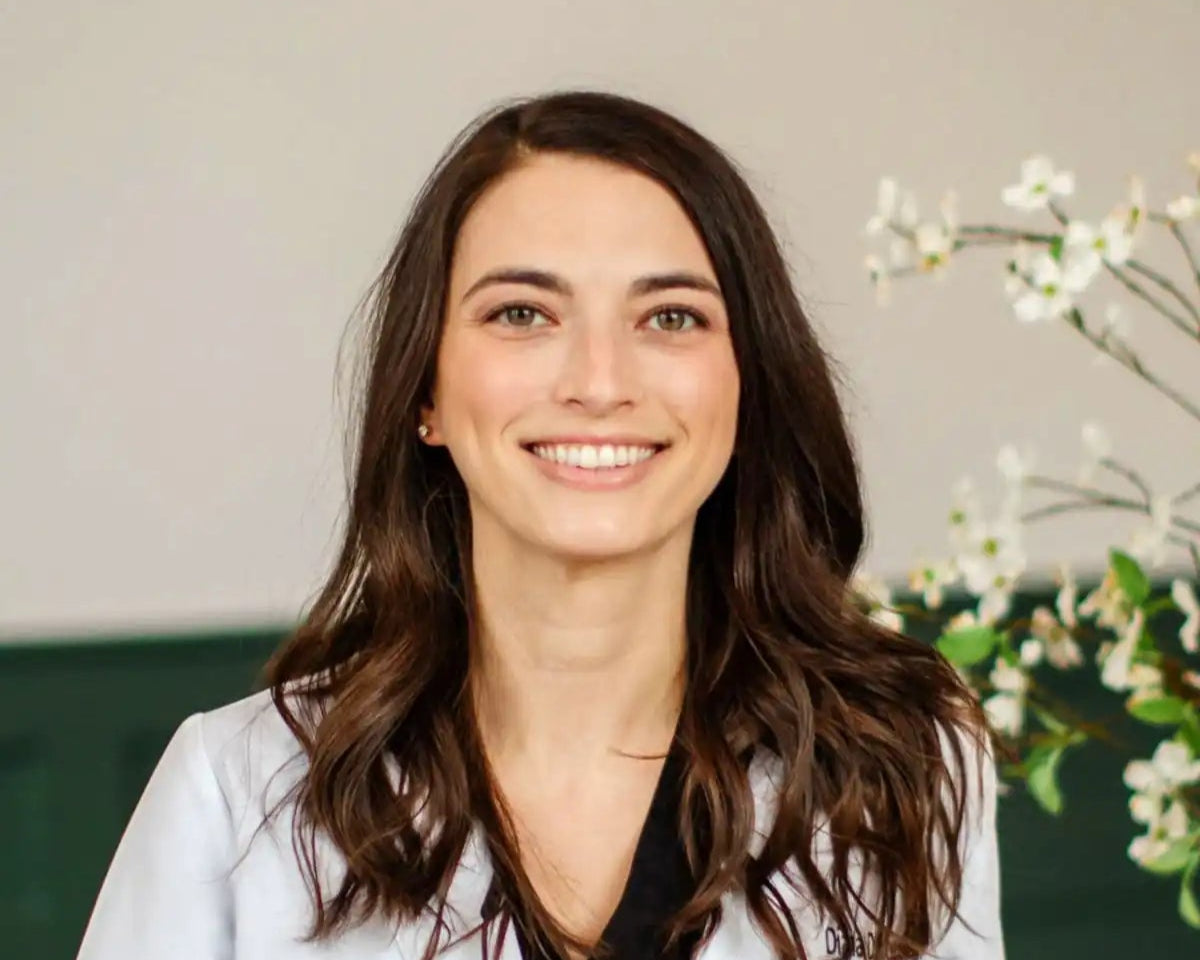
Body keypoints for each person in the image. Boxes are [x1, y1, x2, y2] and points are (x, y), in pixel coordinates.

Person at [75, 89, 1004, 960]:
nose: (599, 383)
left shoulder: (902, 764)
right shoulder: (239, 795)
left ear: (747, 385)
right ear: (425, 392)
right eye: (522, 313)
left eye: (671, 316)